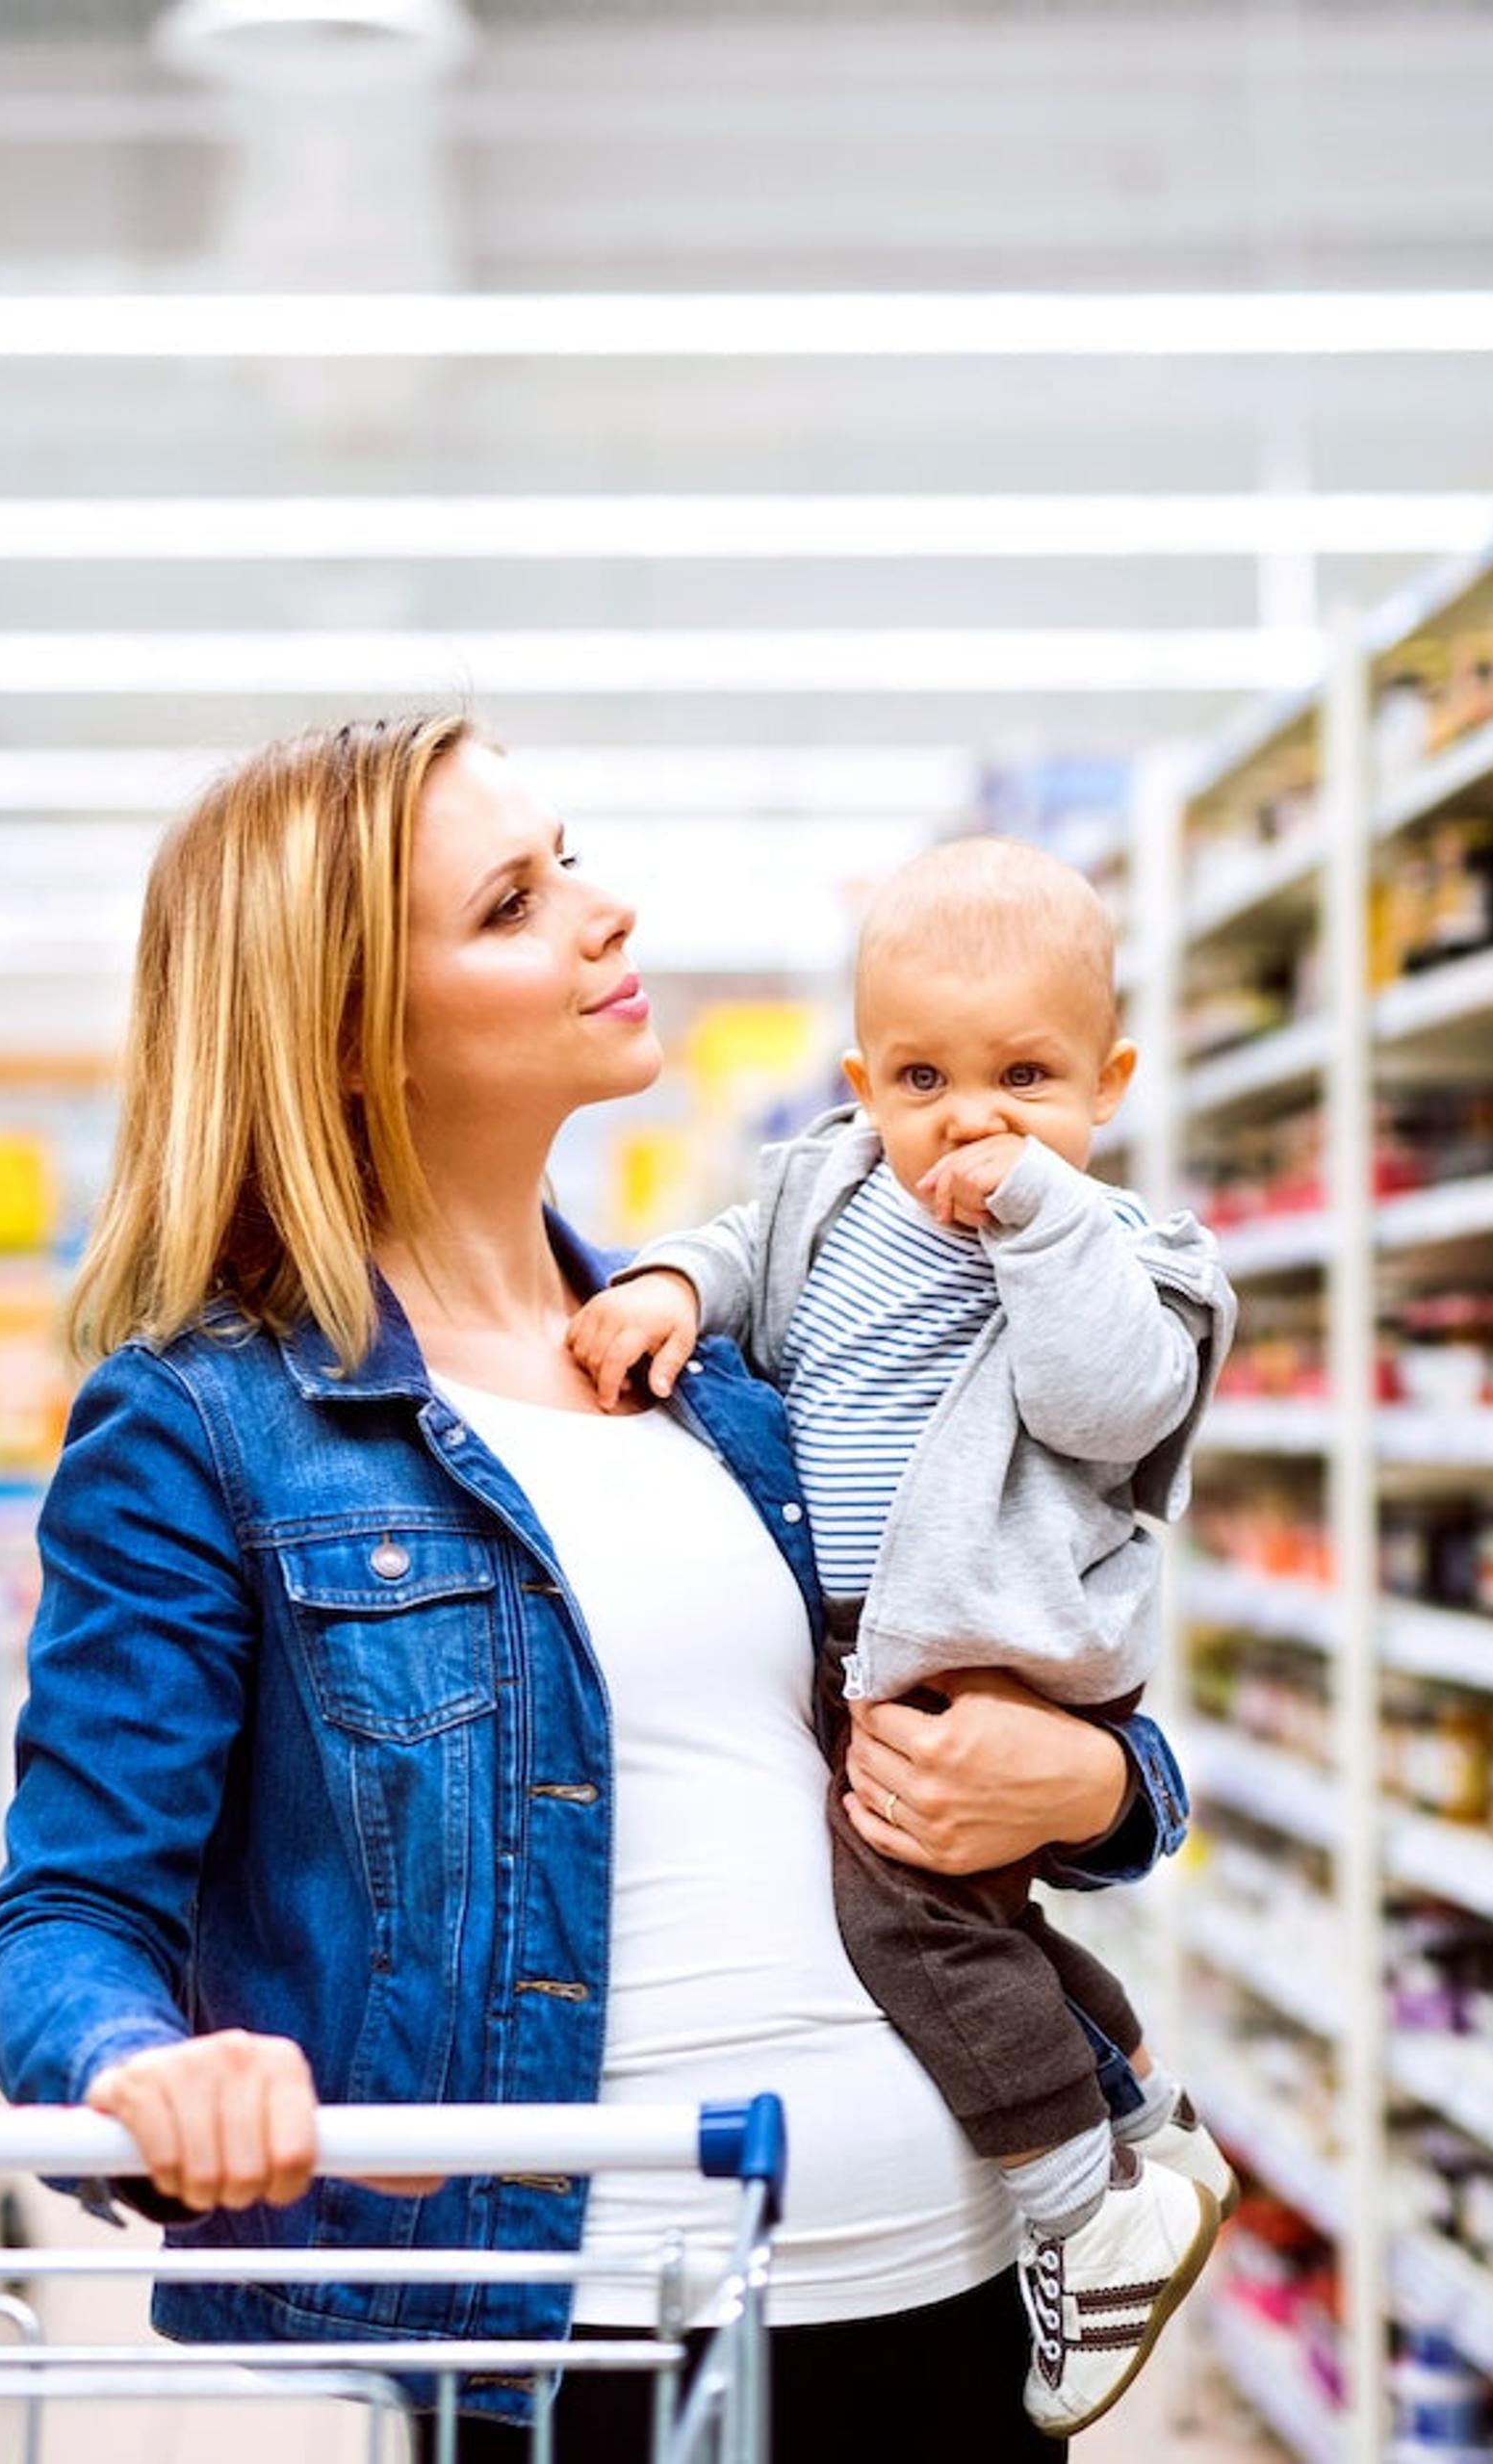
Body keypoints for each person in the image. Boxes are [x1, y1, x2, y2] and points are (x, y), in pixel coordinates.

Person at [0, 714, 1191, 2461]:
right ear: (350, 1038)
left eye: (575, 856)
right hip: (582, 2342)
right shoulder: (205, 1427)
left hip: (965, 2289)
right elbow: (63, 1916)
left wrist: (1096, 1787)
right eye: (513, 903)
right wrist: (134, 2064)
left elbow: (1040, 1713)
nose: (605, 915)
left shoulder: (730, 1366)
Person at [566, 834, 1237, 2435]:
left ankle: (1086, 2210)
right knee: (962, 1922)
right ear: (863, 1079)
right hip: (854, 1627)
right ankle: (1140, 2114)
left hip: (994, 1629)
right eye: (924, 1076)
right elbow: (740, 1248)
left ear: (1110, 1082)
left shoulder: (1128, 1252)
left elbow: (1109, 1398)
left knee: (909, 1922)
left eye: (1028, 1075)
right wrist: (668, 1280)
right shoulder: (830, 1187)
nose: (972, 1118)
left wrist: (1039, 1218)